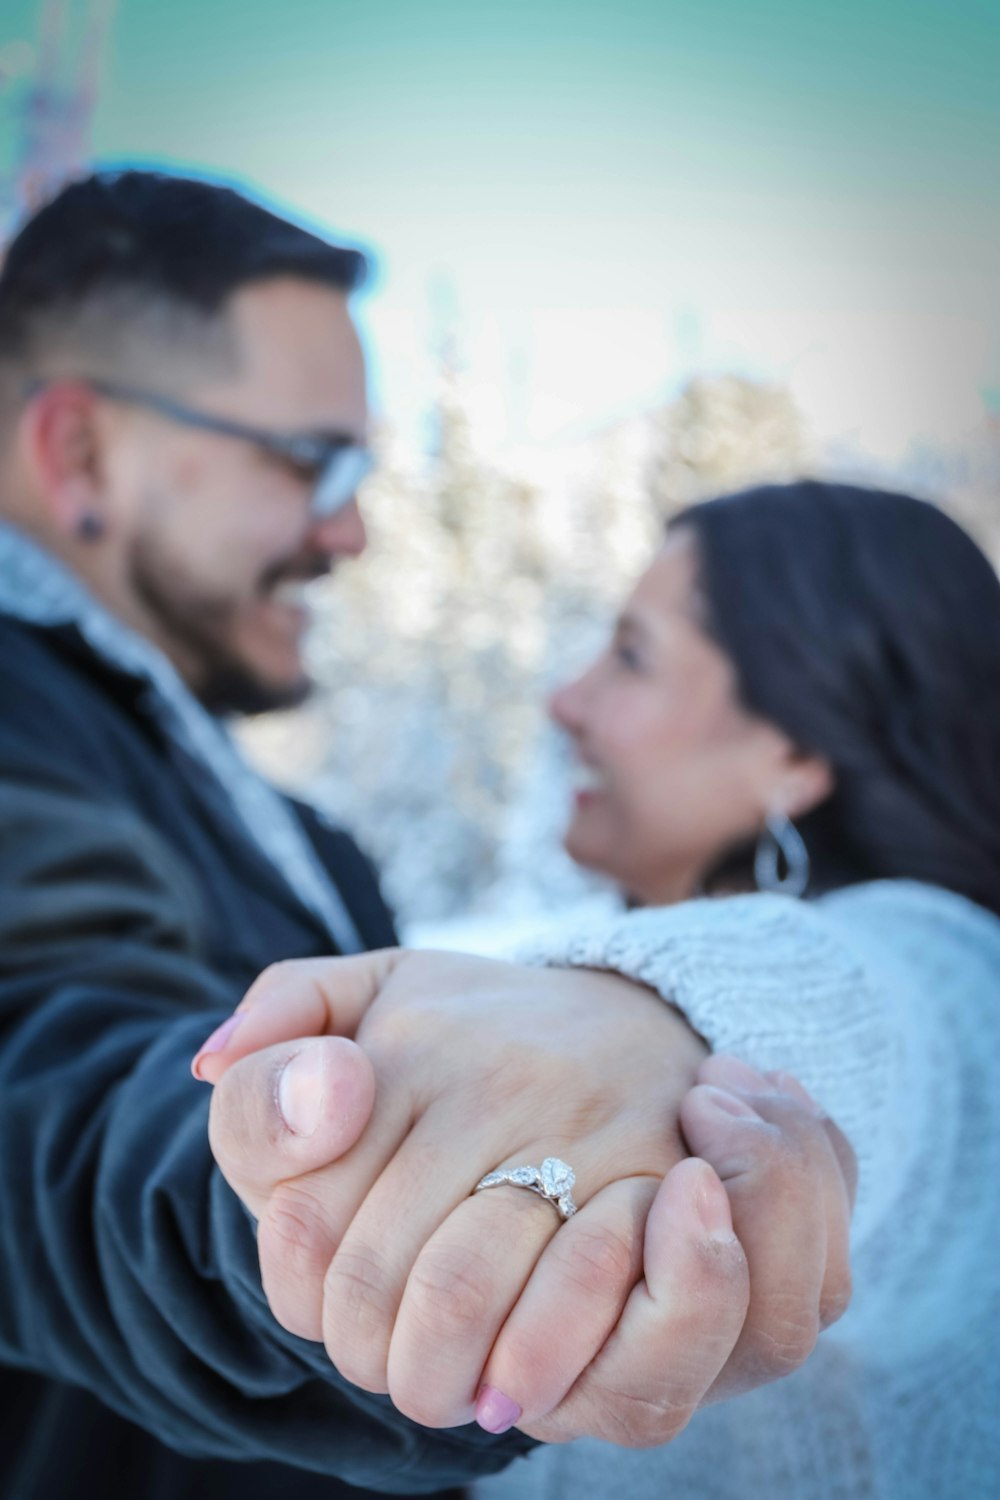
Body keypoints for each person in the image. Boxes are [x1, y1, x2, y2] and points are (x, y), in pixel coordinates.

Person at [0, 170, 853, 1500]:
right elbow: (46, 1110)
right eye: (310, 462)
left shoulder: (291, 829)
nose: (351, 529)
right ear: (80, 456)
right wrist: (373, 1179)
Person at [201, 481, 1000, 1498]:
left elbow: (896, 1025)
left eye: (630, 655)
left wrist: (651, 1019)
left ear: (793, 750)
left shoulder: (952, 968)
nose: (563, 699)